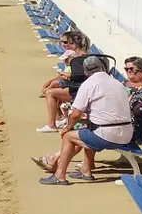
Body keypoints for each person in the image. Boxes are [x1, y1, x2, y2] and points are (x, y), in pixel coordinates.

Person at [32, 54, 132, 185]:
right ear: (103, 67)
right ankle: (86, 170)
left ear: (85, 72)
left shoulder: (88, 84)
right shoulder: (117, 83)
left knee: (68, 136)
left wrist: (67, 128)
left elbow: (76, 114)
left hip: (108, 135)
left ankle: (60, 175)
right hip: (127, 134)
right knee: (88, 130)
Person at [37, 31, 89, 132]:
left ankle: (52, 125)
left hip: (79, 89)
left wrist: (53, 82)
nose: (64, 45)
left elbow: (76, 76)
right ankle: (60, 118)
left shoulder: (77, 58)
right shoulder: (82, 56)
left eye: (66, 42)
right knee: (53, 88)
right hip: (80, 87)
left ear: (73, 44)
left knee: (50, 92)